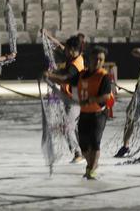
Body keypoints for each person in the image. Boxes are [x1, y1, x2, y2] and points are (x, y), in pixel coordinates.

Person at [49, 45, 114, 180]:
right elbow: (65, 79)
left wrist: (92, 99)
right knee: (84, 145)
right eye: (95, 59)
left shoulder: (104, 76)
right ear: (89, 59)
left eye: (101, 60)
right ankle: (90, 166)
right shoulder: (82, 74)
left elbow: (106, 96)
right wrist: (49, 76)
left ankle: (92, 169)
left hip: (98, 114)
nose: (98, 62)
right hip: (84, 113)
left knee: (95, 141)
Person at [50, 35, 87, 164]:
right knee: (73, 127)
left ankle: (78, 153)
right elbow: (61, 47)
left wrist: (50, 76)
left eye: (66, 49)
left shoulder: (75, 66)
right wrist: (48, 36)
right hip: (71, 98)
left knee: (67, 127)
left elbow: (65, 77)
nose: (64, 51)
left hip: (75, 99)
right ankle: (82, 151)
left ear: (72, 50)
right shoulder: (76, 57)